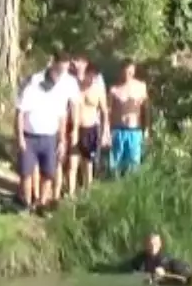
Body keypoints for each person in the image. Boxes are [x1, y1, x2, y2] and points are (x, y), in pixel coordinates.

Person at [17, 52, 79, 211]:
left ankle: (42, 203)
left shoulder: (59, 92)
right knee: (26, 172)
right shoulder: (33, 86)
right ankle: (27, 202)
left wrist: (62, 140)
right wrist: (20, 138)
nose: (58, 78)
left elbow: (62, 117)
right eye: (57, 72)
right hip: (30, 136)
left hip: (50, 137)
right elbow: (20, 113)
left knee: (49, 172)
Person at [66, 55, 108, 196]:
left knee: (87, 164)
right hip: (75, 128)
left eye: (95, 77)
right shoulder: (75, 88)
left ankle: (87, 192)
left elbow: (104, 111)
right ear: (86, 73)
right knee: (72, 163)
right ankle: (70, 195)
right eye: (91, 75)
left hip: (90, 129)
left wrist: (105, 130)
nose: (93, 79)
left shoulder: (98, 90)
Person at [106, 59, 150, 176]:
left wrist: (147, 129)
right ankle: (114, 185)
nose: (128, 75)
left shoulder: (141, 87)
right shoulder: (114, 89)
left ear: (134, 71)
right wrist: (107, 131)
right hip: (118, 130)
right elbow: (108, 111)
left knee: (134, 162)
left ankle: (131, 186)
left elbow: (146, 109)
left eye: (131, 72)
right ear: (121, 72)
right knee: (115, 162)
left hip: (135, 130)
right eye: (126, 72)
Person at [116, 233, 192, 279]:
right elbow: (124, 269)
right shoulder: (139, 259)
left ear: (160, 245)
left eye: (155, 244)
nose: (153, 247)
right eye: (150, 245)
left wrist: (166, 273)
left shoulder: (167, 259)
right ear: (145, 245)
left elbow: (186, 271)